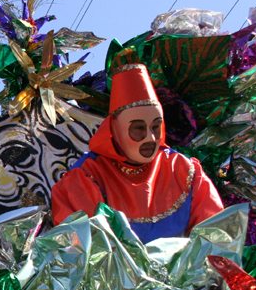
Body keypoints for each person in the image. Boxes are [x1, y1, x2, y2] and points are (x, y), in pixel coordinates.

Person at [51, 64, 224, 243]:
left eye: (156, 127)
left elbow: (214, 236)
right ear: (116, 130)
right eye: (138, 128)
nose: (150, 137)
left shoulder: (183, 168)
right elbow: (83, 246)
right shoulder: (87, 175)